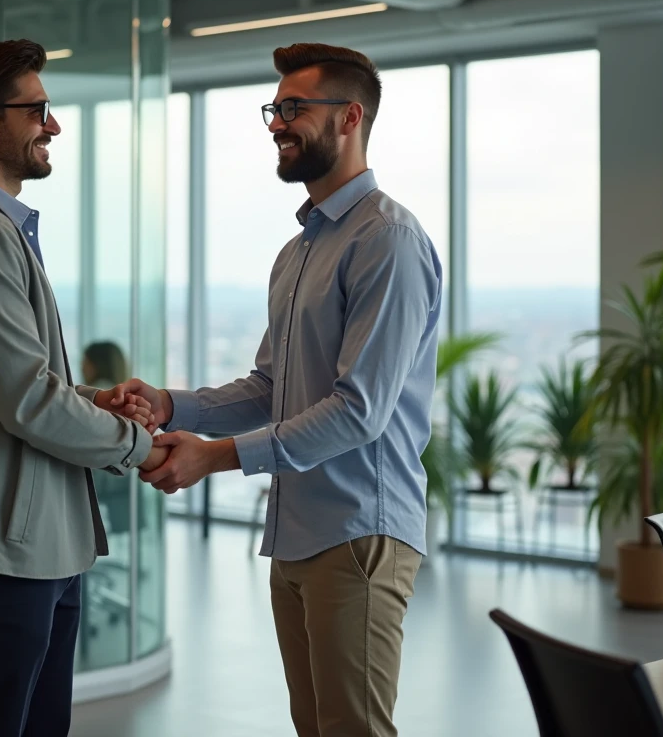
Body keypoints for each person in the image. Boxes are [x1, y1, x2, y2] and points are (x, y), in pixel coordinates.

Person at [124, 44, 443, 737]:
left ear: (350, 117)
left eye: (295, 108)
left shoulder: (386, 241)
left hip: (359, 532)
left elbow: (358, 412)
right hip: (297, 534)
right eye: (274, 108)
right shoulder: (300, 251)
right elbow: (272, 387)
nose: (277, 123)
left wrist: (213, 457)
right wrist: (173, 405)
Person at [0, 39, 166, 737]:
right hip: (2, 555)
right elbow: (26, 400)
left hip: (38, 545)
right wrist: (140, 446)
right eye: (36, 110)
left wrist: (94, 404)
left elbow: (19, 384)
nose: (54, 125)